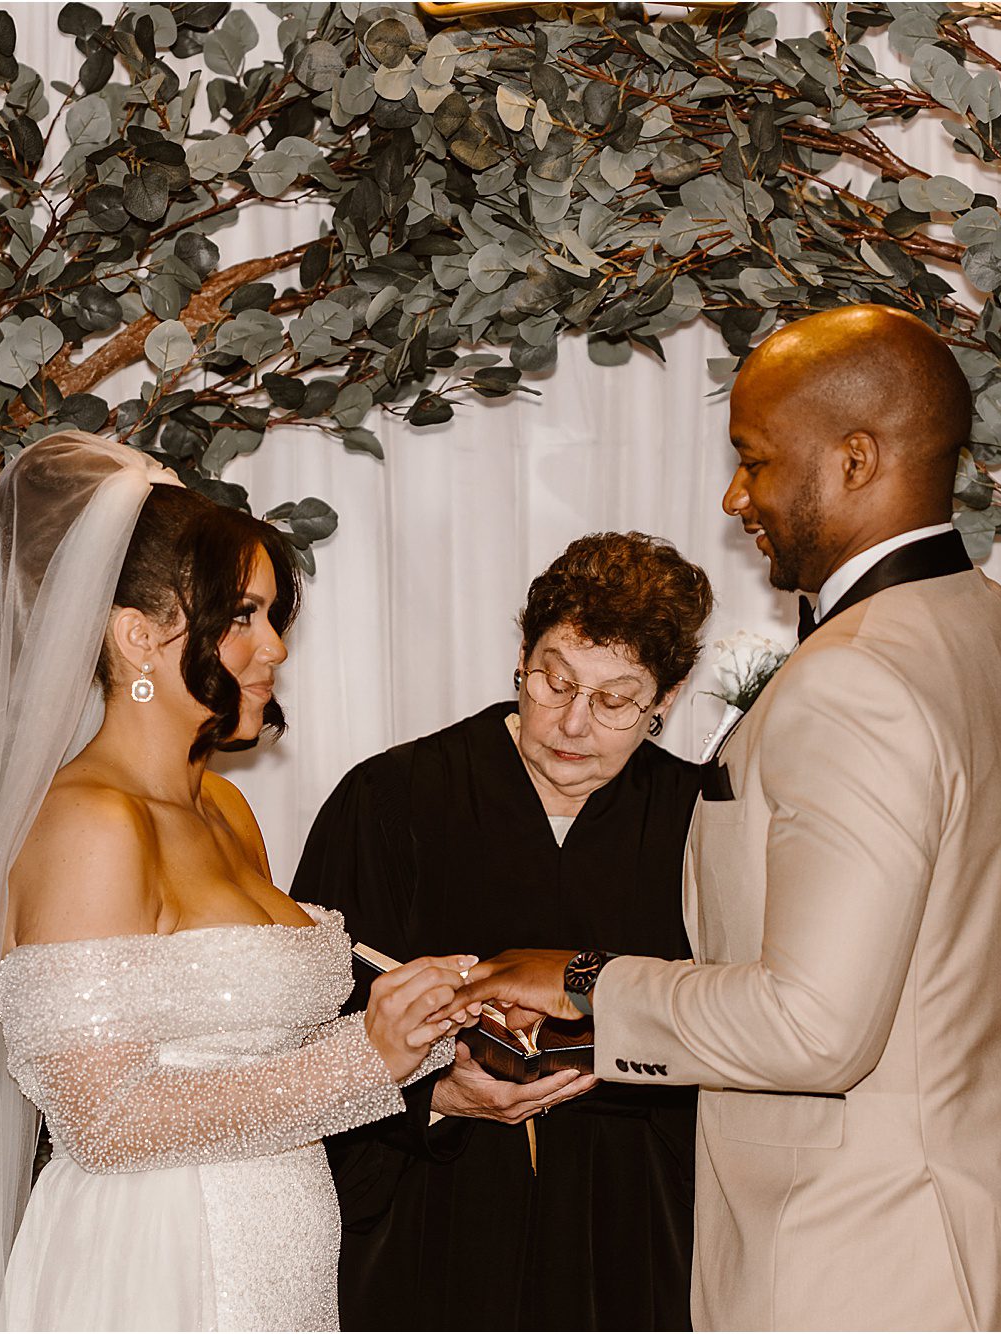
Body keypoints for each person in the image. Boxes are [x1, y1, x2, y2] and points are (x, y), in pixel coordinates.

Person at [455, 306, 1001, 1330]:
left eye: (753, 458)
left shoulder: (856, 679)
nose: (733, 493)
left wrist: (581, 980)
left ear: (852, 458)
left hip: (863, 1264)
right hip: (1000, 1245)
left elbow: (814, 1029)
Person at [0, 431, 479, 1331]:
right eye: (242, 617)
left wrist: (432, 1049)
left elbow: (261, 1060)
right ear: (135, 637)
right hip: (152, 1265)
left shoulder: (228, 815)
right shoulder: (91, 824)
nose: (274, 648)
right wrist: (367, 1060)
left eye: (274, 617)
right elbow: (104, 1123)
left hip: (278, 1250)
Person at [295, 532, 713, 1331]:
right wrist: (433, 1094)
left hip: (641, 1227)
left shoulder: (702, 820)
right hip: (432, 1213)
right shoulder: (391, 798)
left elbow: (745, 1020)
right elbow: (308, 1026)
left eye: (616, 699)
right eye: (553, 681)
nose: (573, 723)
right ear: (521, 652)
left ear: (669, 695)